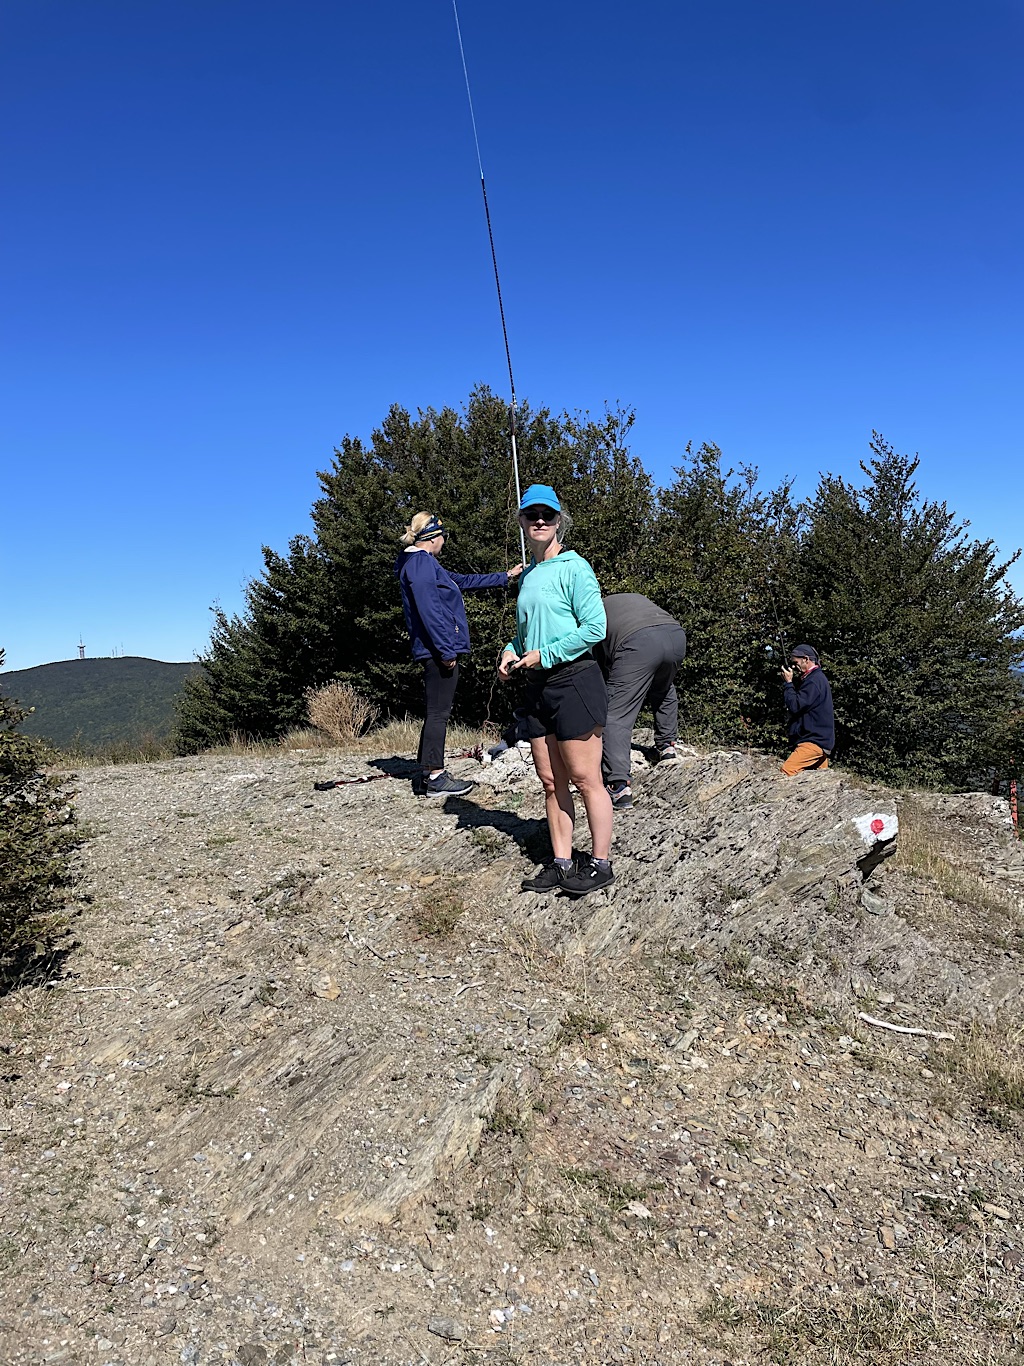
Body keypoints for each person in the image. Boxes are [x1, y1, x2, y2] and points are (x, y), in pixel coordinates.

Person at [497, 484, 614, 897]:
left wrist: (543, 654)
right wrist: (510, 652)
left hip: (574, 681)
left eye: (547, 514)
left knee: (585, 778)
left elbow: (595, 628)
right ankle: (561, 863)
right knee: (550, 781)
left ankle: (601, 864)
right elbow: (522, 633)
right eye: (532, 516)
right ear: (523, 523)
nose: (540, 521)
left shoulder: (575, 567)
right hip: (536, 685)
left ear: (559, 519)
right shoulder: (528, 574)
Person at [396, 512, 522, 797]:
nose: (444, 542)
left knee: (435, 711)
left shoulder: (424, 564)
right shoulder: (420, 565)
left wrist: (506, 576)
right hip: (437, 650)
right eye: (443, 537)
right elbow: (429, 611)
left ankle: (428, 773)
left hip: (435, 648)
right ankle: (437, 778)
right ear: (433, 537)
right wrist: (446, 650)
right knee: (439, 712)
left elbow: (462, 581)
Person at [594, 594, 687, 810]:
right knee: (663, 687)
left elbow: (598, 668)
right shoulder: (625, 600)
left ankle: (618, 785)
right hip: (675, 636)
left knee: (615, 714)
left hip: (638, 641)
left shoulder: (592, 614)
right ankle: (667, 747)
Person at [780, 644, 834, 775]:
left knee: (786, 771)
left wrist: (788, 684)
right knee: (821, 783)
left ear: (805, 659)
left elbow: (795, 706)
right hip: (821, 742)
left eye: (795, 662)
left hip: (813, 742)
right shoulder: (817, 678)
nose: (793, 666)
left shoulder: (813, 681)